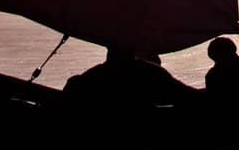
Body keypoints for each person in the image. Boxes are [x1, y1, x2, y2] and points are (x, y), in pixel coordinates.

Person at [63, 48, 199, 112]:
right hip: (136, 126)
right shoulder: (148, 72)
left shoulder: (95, 75)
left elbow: (72, 89)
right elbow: (182, 94)